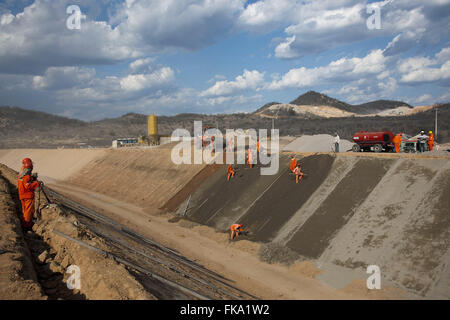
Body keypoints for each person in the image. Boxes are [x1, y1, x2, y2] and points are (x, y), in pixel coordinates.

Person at [18, 158, 40, 231]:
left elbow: (25, 182)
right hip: (27, 195)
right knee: (28, 211)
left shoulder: (22, 173)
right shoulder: (26, 176)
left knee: (25, 210)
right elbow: (28, 186)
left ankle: (26, 222)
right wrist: (37, 183)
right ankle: (27, 226)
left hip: (22, 194)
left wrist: (32, 178)